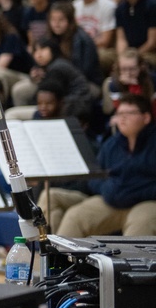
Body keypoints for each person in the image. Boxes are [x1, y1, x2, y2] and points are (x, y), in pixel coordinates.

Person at [56, 94, 156, 237]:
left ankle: (130, 260)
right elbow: (94, 176)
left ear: (146, 118)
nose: (122, 118)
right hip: (112, 200)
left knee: (141, 223)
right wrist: (107, 189)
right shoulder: (111, 144)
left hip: (148, 202)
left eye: (129, 113)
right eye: (119, 113)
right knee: (75, 217)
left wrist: (134, 192)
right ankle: (57, 259)